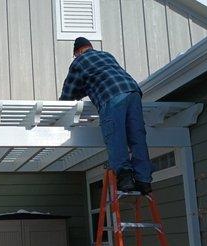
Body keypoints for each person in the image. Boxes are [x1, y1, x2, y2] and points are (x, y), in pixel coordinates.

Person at [60, 37, 153, 194]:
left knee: (115, 135)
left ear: (78, 51)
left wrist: (62, 108)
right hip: (132, 91)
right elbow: (97, 79)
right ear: (90, 47)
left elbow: (69, 93)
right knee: (137, 136)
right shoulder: (106, 55)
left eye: (75, 55)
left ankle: (125, 178)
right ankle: (144, 180)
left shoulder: (79, 61)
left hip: (112, 95)